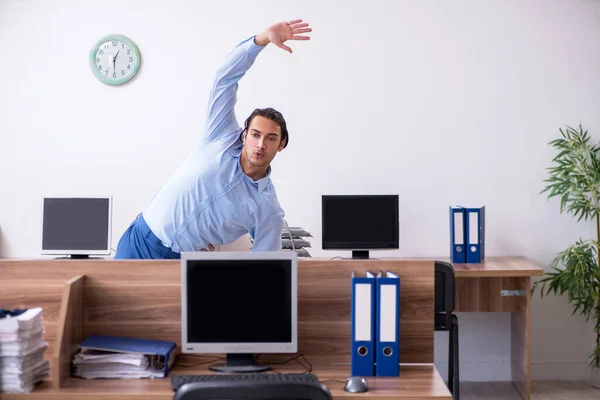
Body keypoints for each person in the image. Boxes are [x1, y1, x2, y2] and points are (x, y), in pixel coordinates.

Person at [114, 19, 312, 259]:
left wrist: (218, 263)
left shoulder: (267, 208)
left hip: (181, 262)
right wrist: (261, 40)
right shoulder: (220, 136)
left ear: (281, 145)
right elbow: (224, 79)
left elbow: (265, 265)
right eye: (256, 135)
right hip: (139, 239)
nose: (260, 144)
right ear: (245, 134)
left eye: (271, 138)